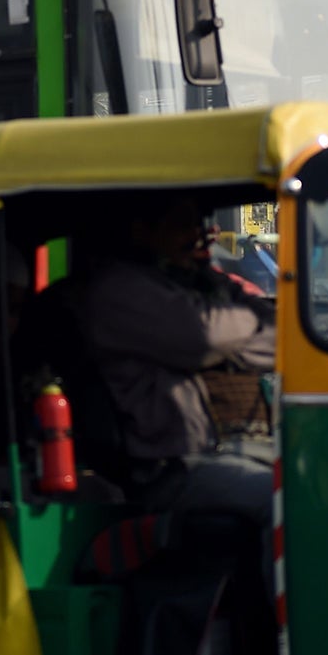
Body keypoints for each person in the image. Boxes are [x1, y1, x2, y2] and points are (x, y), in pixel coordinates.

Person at [70, 193, 277, 535]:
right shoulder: (119, 290)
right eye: (182, 225)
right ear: (142, 232)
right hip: (177, 467)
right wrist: (235, 332)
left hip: (246, 450)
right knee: (284, 503)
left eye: (198, 223)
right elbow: (203, 337)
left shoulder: (206, 283)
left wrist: (227, 338)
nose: (196, 234)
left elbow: (281, 335)